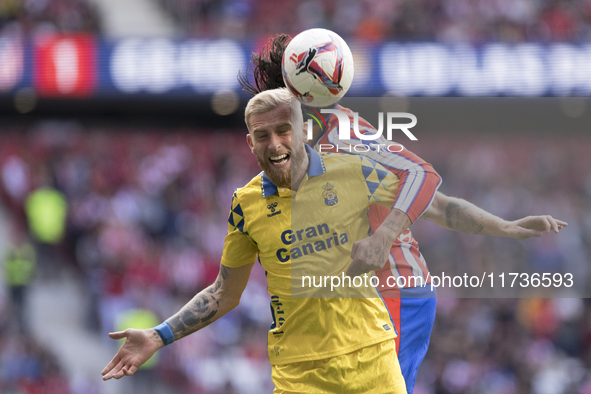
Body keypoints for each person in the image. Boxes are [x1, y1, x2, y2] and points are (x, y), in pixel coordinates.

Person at [238, 33, 568, 394]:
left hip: (391, 292)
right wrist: (503, 226)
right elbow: (437, 205)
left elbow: (422, 177)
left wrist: (385, 235)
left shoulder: (343, 135)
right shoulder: (298, 157)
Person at [102, 88, 413, 393]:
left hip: (373, 360)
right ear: (251, 143)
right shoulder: (245, 204)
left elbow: (425, 192)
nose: (274, 144)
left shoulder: (352, 173)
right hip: (300, 374)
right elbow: (224, 292)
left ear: (303, 130)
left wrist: (388, 232)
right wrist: (159, 336)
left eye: (283, 131)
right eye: (263, 136)